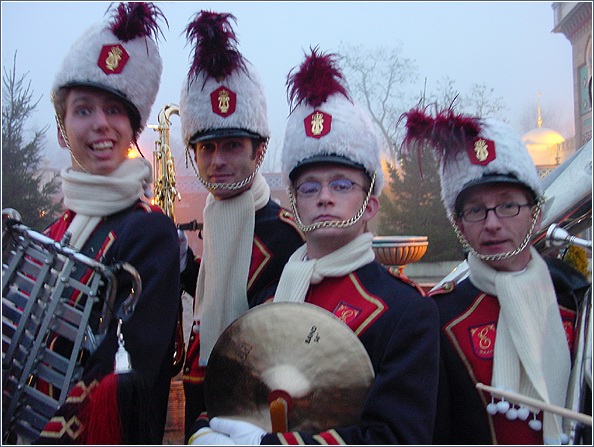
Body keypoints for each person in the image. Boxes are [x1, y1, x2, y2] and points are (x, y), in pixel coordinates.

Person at [188, 47, 440, 445]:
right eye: (309, 187)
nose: (324, 197)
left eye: (341, 185)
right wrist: (202, 430)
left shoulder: (407, 312)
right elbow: (233, 391)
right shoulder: (271, 300)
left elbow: (396, 436)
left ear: (369, 202)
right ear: (294, 204)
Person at [31, 3, 180, 444]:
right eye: (83, 110)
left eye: (115, 110)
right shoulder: (54, 233)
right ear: (62, 129)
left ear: (133, 128)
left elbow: (131, 375)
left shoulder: (149, 231)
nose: (100, 123)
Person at [400, 107, 591, 444]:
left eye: (508, 205)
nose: (492, 222)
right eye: (476, 210)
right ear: (458, 223)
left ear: (534, 211)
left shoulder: (575, 299)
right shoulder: (437, 316)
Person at [177, 10, 305, 442]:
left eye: (232, 145)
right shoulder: (216, 218)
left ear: (259, 150)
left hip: (252, 412)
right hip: (199, 390)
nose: (217, 160)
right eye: (206, 147)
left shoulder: (286, 235)